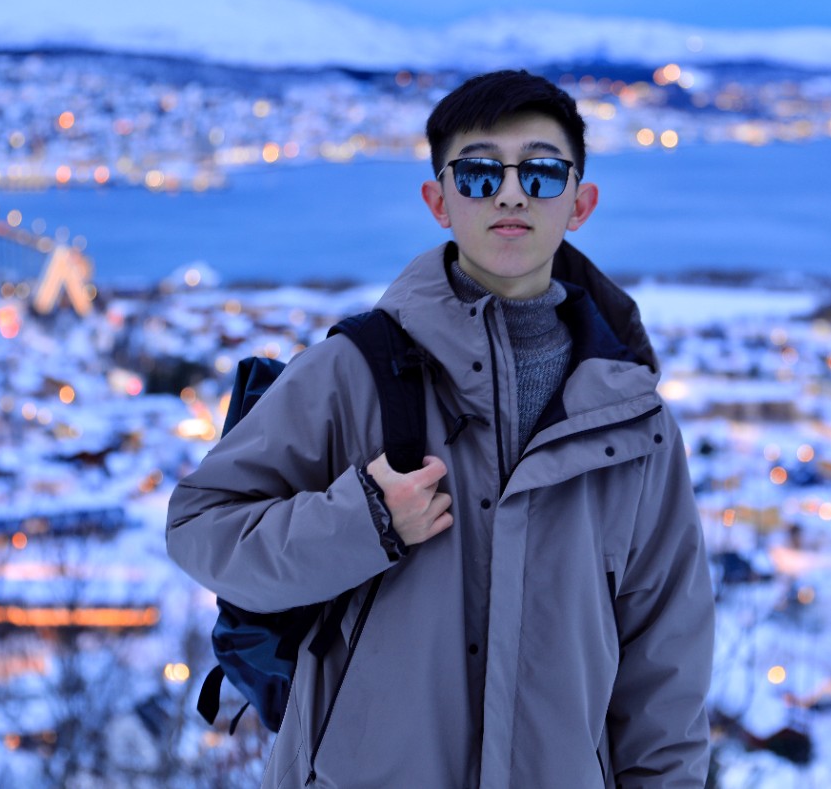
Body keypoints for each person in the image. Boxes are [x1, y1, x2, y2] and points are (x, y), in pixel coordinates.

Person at [167, 69, 715, 788]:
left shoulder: (633, 422)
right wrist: (362, 521)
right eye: (481, 173)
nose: (512, 193)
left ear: (580, 203)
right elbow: (201, 527)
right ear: (438, 201)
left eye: (542, 172)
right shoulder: (354, 371)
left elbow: (664, 664)